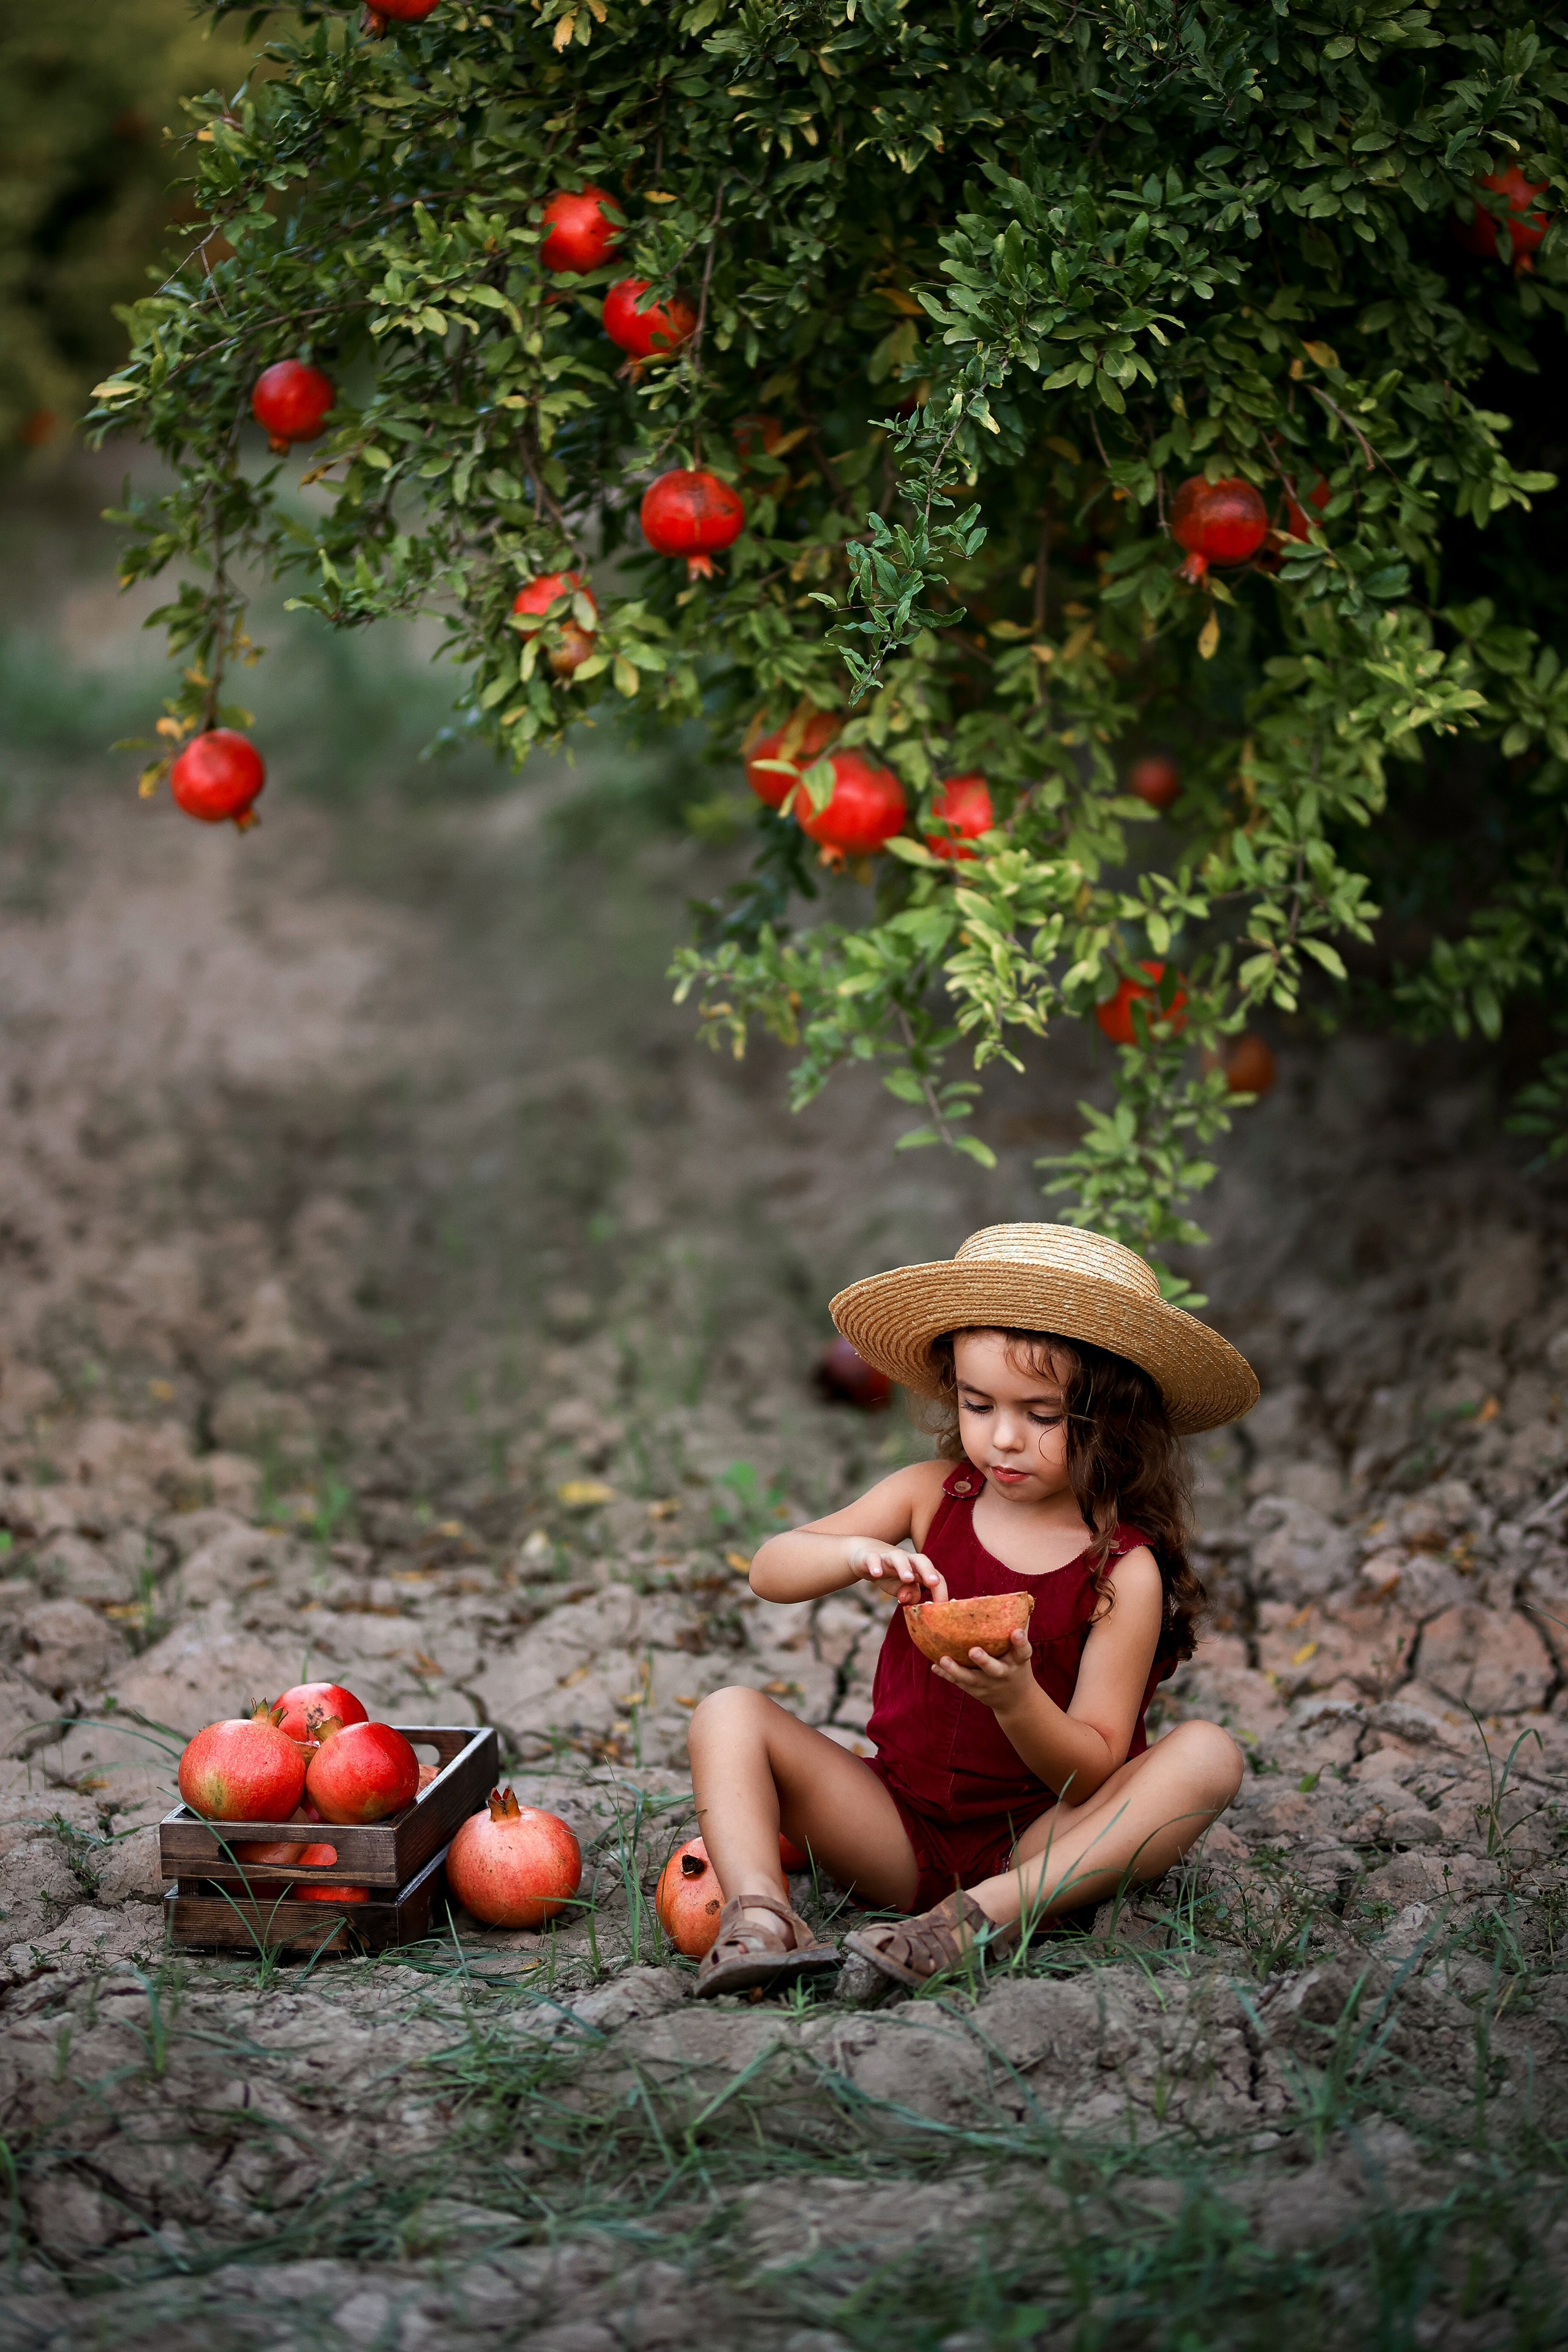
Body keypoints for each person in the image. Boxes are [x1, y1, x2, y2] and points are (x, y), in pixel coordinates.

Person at [686, 1221, 1259, 1997]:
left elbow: (1091, 1771)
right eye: (978, 1404)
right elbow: (769, 1570)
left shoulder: (1123, 1571)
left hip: (1039, 1845)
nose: (1003, 1439)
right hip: (895, 1822)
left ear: (1110, 1419)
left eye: (1043, 1415)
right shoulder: (930, 1497)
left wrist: (1017, 1699)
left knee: (1207, 1757)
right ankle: (760, 1915)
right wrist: (854, 1555)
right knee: (727, 1712)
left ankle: (974, 1922)